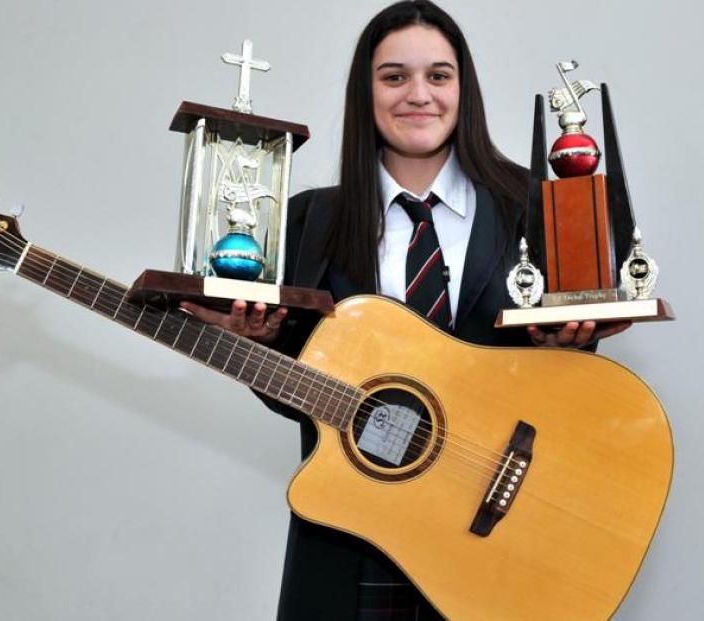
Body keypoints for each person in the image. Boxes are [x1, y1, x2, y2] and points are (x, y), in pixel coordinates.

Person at [182, 1, 629, 618]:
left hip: (504, 541)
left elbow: (573, 367)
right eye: (394, 76)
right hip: (351, 540)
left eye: (438, 76)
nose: (418, 94)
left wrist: (568, 351)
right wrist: (251, 345)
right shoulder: (310, 222)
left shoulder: (536, 208)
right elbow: (301, 389)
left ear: (462, 90)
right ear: (364, 93)